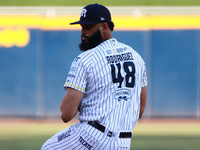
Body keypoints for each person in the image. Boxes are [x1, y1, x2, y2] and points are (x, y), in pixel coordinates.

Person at [41, 3, 147, 150]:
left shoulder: (85, 60)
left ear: (104, 27)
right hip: (123, 143)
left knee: (48, 147)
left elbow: (66, 114)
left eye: (88, 27)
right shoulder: (137, 57)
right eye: (82, 27)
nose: (83, 31)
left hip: (92, 136)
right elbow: (140, 108)